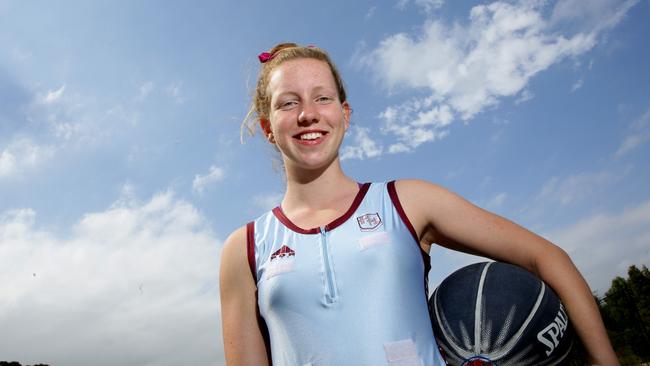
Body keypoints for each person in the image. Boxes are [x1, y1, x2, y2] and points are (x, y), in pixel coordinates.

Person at [219, 43, 619, 365]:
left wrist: (604, 361)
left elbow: (546, 257)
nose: (308, 114)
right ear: (269, 128)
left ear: (344, 114)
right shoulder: (246, 247)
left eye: (322, 98)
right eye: (288, 103)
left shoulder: (406, 202)